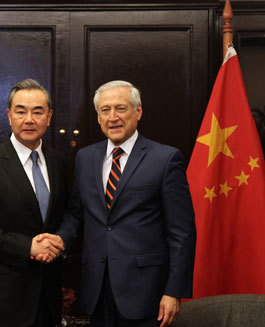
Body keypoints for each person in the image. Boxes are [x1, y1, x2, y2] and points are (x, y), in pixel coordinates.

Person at [36, 80, 196, 327]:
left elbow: (182, 232)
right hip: (97, 290)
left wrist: (174, 291)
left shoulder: (165, 159)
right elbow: (76, 213)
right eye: (105, 110)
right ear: (98, 117)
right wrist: (60, 239)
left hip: (147, 293)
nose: (113, 117)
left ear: (138, 111)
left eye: (120, 108)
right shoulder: (85, 158)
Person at [0, 79, 67, 327]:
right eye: (21, 111)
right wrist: (28, 246)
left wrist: (59, 239)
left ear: (49, 117)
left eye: (38, 112)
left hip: (48, 297)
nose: (29, 119)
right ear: (9, 116)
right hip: (4, 301)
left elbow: (66, 214)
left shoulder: (59, 162)